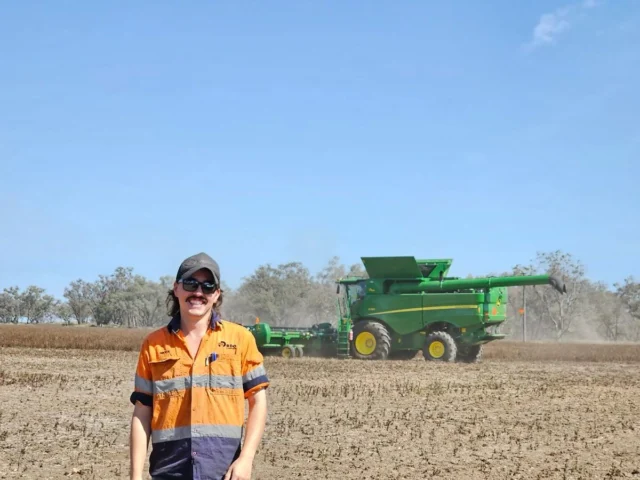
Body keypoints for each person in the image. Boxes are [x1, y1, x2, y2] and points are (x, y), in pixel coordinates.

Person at [129, 252, 269, 480]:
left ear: (217, 294)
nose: (198, 292)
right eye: (190, 283)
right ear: (176, 289)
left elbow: (258, 401)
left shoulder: (240, 339)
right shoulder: (153, 345)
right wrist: (135, 476)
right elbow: (142, 413)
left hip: (223, 470)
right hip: (169, 469)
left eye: (207, 286)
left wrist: (246, 458)